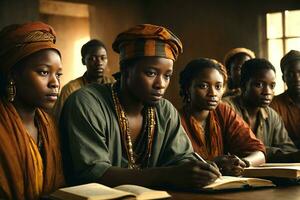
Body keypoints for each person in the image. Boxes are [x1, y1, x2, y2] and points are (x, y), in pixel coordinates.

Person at [59, 24, 221, 190]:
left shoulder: (165, 111)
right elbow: (93, 173)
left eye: (167, 76)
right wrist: (167, 175)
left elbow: (181, 159)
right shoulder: (87, 103)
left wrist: (199, 171)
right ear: (126, 71)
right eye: (151, 73)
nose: (161, 84)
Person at [0, 22, 65, 199]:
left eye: (58, 74)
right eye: (44, 72)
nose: (55, 83)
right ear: (13, 75)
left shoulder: (48, 125)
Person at [179, 58, 265, 176]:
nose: (213, 93)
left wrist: (243, 163)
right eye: (203, 86)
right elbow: (177, 167)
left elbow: (259, 152)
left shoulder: (222, 111)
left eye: (218, 87)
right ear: (187, 88)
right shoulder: (177, 120)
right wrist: (213, 164)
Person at [224, 58, 299, 162]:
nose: (267, 92)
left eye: (272, 86)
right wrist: (271, 153)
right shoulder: (226, 108)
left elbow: (288, 150)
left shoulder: (271, 115)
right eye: (259, 85)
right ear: (243, 85)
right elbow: (241, 149)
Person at [53, 39, 115, 121]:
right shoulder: (70, 89)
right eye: (92, 58)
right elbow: (58, 119)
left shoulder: (113, 85)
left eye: (103, 58)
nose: (99, 63)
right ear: (83, 61)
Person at [270, 50, 300, 149]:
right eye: (290, 74)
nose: (297, 78)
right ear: (283, 78)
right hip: (287, 160)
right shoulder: (273, 105)